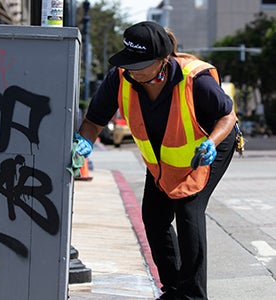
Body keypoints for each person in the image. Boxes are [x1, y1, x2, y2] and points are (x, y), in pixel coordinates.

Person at [75, 21, 237, 300]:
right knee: (154, 216)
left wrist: (211, 142)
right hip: (166, 156)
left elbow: (228, 116)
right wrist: (84, 142)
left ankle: (193, 296)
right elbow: (93, 121)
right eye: (130, 63)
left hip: (208, 147)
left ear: (164, 61)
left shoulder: (194, 79)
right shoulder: (120, 77)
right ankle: (173, 290)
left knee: (188, 210)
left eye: (141, 64)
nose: (133, 70)